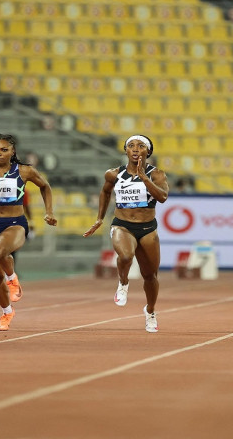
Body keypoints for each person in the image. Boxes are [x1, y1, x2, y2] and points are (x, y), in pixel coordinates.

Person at [0, 134, 57, 331]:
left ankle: (12, 278)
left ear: (12, 152)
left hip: (15, 222)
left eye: (4, 150)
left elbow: (45, 187)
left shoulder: (24, 171)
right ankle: (7, 312)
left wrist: (48, 212)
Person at [83, 134, 169, 333]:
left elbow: (163, 197)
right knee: (126, 255)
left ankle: (150, 311)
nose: (136, 149)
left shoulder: (157, 175)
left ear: (148, 151)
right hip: (122, 225)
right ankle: (123, 282)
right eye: (131, 146)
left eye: (141, 146)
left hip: (148, 228)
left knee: (150, 276)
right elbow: (105, 192)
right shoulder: (114, 174)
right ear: (126, 151)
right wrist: (99, 218)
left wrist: (144, 178)